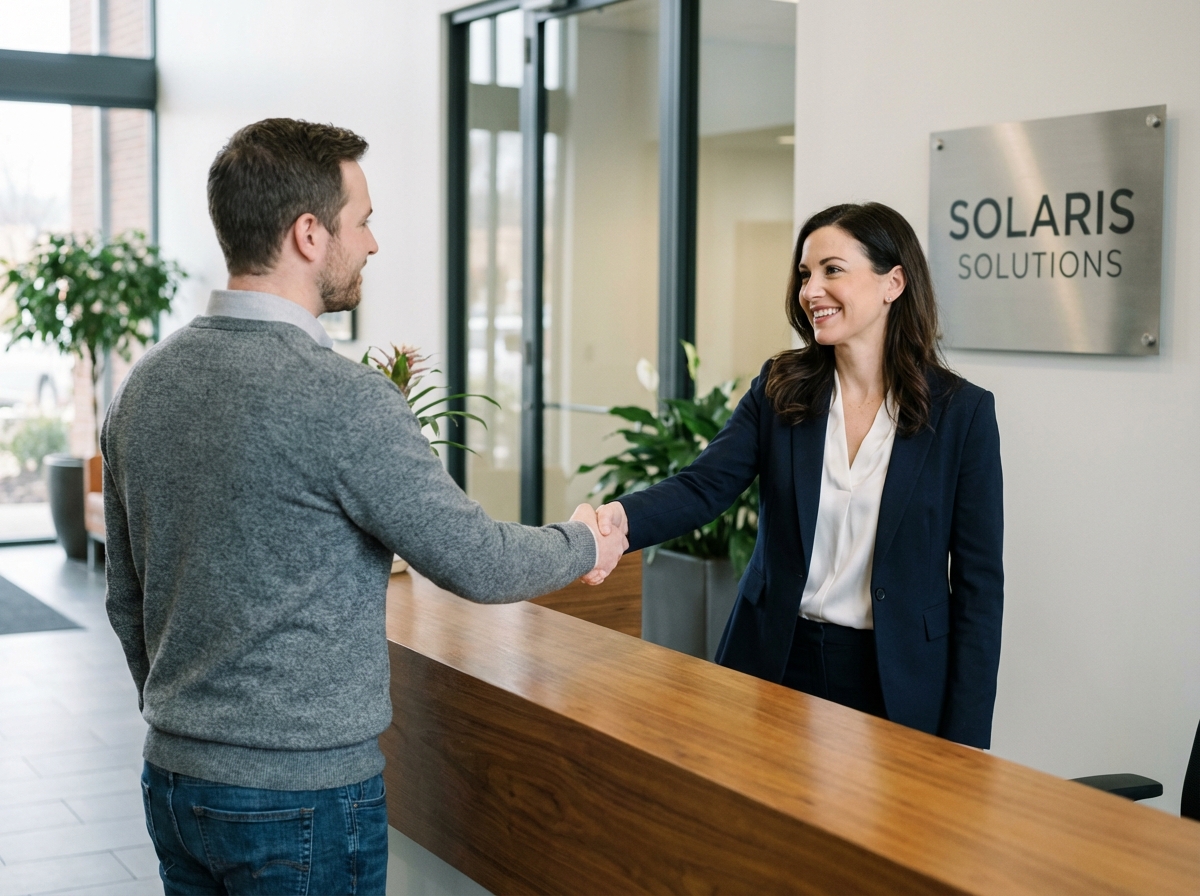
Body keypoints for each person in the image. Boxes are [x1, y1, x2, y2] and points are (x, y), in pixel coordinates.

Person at [102, 118, 627, 895]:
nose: (373, 244)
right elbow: (476, 561)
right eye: (363, 221)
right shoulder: (342, 398)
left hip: (176, 782)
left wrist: (191, 723)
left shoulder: (144, 385)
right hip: (302, 799)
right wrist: (584, 541)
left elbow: (125, 598)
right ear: (309, 234)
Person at [595, 202, 1003, 749]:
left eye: (833, 270)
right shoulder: (780, 387)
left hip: (894, 676)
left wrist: (967, 740)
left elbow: (979, 586)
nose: (812, 290)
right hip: (775, 656)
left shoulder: (961, 414)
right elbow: (704, 485)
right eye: (806, 274)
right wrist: (617, 520)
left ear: (893, 283)